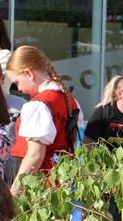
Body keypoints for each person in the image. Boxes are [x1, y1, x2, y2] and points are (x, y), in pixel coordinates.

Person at [4, 45, 76, 194]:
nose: (19, 89)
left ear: (29, 73)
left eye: (17, 82)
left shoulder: (38, 105)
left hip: (40, 184)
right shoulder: (67, 97)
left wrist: (14, 193)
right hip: (62, 179)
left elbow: (35, 156)